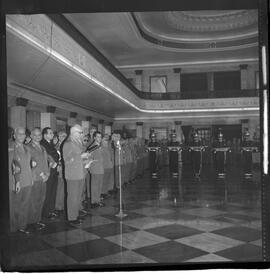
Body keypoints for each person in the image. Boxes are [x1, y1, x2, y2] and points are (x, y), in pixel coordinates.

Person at [8, 127, 33, 234]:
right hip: (17, 181)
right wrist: (17, 181)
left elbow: (29, 164)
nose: (22, 136)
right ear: (14, 135)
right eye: (19, 134)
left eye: (23, 134)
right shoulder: (11, 147)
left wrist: (31, 177)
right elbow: (13, 165)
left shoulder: (27, 148)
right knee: (15, 205)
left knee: (25, 204)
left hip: (27, 180)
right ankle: (13, 227)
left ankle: (22, 226)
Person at [62, 125, 88, 224]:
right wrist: (80, 156)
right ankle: (72, 218)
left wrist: (86, 160)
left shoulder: (78, 143)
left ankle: (75, 214)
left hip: (80, 173)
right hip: (72, 175)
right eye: (80, 133)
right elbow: (67, 160)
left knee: (77, 196)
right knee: (72, 197)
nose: (82, 134)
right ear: (73, 133)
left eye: (82, 133)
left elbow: (78, 158)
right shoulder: (68, 143)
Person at [28, 128, 50, 230]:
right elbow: (32, 164)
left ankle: (37, 219)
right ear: (31, 136)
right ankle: (32, 221)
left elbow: (46, 162)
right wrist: (42, 175)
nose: (38, 137)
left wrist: (47, 174)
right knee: (34, 200)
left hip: (44, 178)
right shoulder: (28, 147)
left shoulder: (42, 147)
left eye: (39, 135)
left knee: (41, 199)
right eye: (35, 135)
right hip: (36, 177)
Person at [40, 127, 60, 220]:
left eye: (52, 133)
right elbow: (46, 157)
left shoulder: (50, 144)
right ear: (45, 135)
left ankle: (51, 210)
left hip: (54, 170)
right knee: (48, 192)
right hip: (49, 170)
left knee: (52, 192)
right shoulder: (43, 144)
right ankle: (46, 212)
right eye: (50, 133)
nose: (52, 134)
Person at [87, 131, 105, 208]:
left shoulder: (100, 145)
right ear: (94, 137)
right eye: (98, 137)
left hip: (100, 168)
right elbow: (88, 157)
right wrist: (91, 164)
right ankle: (94, 201)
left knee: (99, 185)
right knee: (95, 186)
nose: (99, 138)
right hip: (95, 168)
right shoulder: (93, 146)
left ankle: (98, 200)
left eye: (100, 137)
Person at [55, 130, 68, 213]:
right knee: (60, 188)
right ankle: (58, 206)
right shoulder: (57, 147)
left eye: (65, 136)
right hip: (60, 169)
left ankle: (62, 205)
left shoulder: (64, 145)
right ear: (59, 137)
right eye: (62, 136)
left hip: (66, 169)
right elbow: (57, 159)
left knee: (63, 188)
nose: (64, 138)